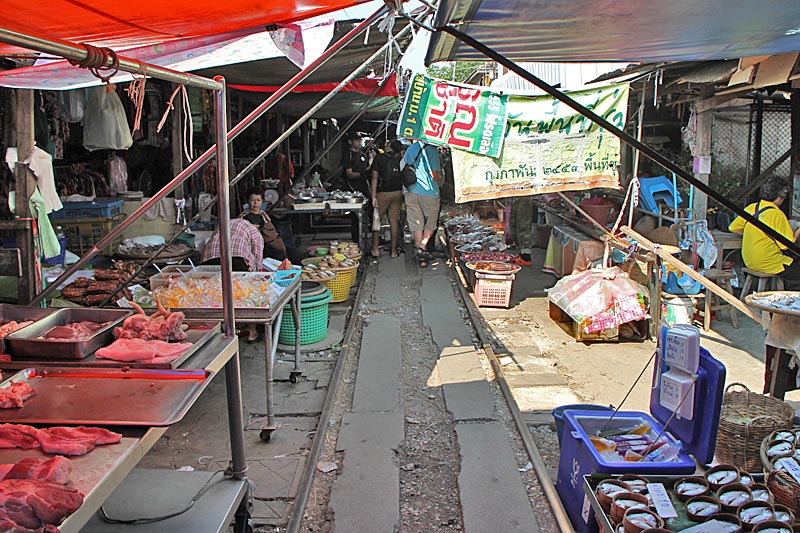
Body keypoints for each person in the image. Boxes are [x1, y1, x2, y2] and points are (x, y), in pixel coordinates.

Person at [728, 176, 800, 290]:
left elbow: (733, 228)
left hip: (749, 261)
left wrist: (753, 233)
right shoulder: (777, 214)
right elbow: (787, 245)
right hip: (769, 262)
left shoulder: (752, 208)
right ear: (779, 198)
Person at [201, 218, 264, 342]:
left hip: (210, 257)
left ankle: (222, 329)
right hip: (236, 257)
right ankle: (252, 332)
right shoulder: (255, 231)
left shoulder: (226, 221)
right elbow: (258, 258)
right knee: (246, 293)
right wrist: (255, 276)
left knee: (215, 293)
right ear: (258, 226)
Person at [238, 189, 305, 265]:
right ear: (248, 201)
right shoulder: (243, 216)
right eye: (252, 200)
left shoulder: (263, 214)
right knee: (280, 255)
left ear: (262, 201)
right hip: (257, 247)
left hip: (270, 243)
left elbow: (271, 232)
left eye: (258, 200)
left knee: (295, 254)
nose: (255, 203)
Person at [403, 139, 442, 268]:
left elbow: (403, 165)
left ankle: (421, 257)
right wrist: (441, 181)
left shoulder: (411, 148)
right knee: (431, 222)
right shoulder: (432, 150)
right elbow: (434, 174)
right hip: (429, 192)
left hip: (411, 191)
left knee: (416, 223)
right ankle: (423, 246)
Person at [369, 140, 405, 258]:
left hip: (383, 193)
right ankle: (394, 251)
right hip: (398, 192)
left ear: (389, 146)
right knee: (394, 221)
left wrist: (373, 196)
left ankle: (375, 249)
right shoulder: (400, 158)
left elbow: (374, 178)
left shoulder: (379, 158)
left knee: (377, 220)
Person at [341, 131, 372, 244]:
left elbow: (367, 168)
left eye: (360, 140)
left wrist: (371, 163)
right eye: (356, 140)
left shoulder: (363, 154)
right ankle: (356, 241)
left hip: (364, 188)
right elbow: (349, 173)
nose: (359, 142)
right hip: (352, 189)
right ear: (350, 142)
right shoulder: (348, 155)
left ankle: (368, 239)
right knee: (355, 217)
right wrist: (362, 174)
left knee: (369, 214)